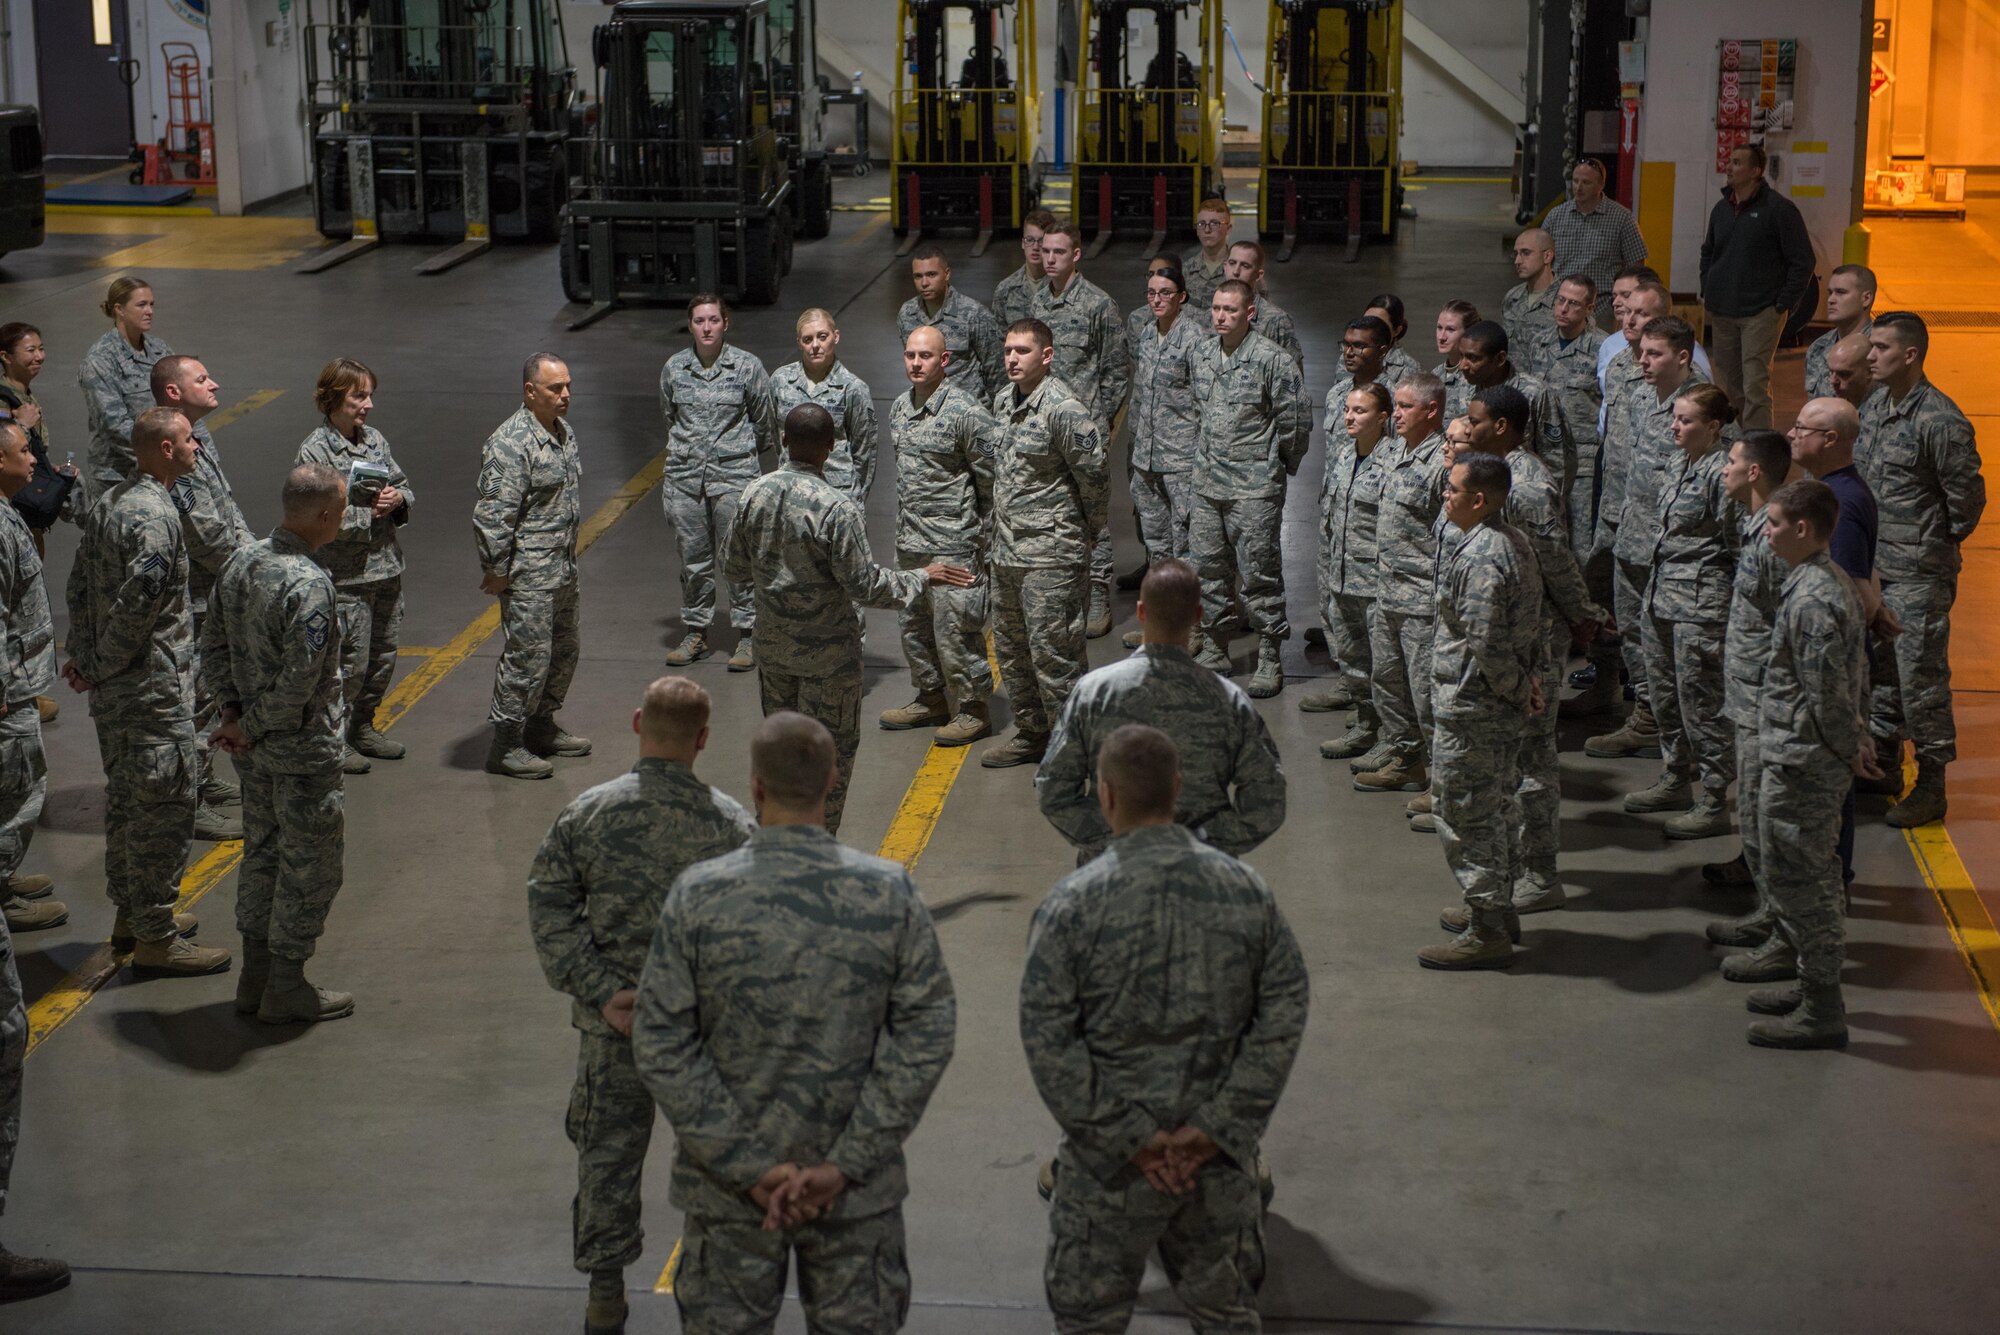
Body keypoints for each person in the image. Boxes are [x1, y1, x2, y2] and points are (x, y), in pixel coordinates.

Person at [632, 712, 957, 1335]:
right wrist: (846, 1162)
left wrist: (747, 1165)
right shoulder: (888, 893)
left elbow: (662, 1041)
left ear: (754, 786)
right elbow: (926, 1036)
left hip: (728, 1196)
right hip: (854, 1197)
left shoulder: (699, 895)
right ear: (833, 780)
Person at [1021, 723, 1307, 1334]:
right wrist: (1215, 1129)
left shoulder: (1071, 905)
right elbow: (1282, 1014)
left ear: (1104, 794)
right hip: (1217, 1171)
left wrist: (1132, 1138)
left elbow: (1048, 1039)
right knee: (1228, 1316)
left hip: (1105, 1174)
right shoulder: (1245, 893)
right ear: (1177, 788)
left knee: (1088, 1321)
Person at [526, 676, 756, 1335]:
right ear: (703, 739)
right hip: (696, 1036)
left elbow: (550, 911)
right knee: (709, 1166)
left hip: (612, 1027)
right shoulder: (734, 825)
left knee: (606, 1159)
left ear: (636, 722)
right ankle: (703, 1300)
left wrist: (604, 991)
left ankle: (605, 1297)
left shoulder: (588, 814)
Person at [723, 404, 973, 834]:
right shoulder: (837, 508)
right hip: (828, 664)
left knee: (782, 759)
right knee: (827, 762)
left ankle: (776, 845)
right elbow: (866, 587)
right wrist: (922, 576)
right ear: (830, 447)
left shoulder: (753, 493)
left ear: (783, 441)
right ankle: (819, 848)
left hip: (775, 654)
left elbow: (734, 566)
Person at [62, 408, 226, 976]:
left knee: (130, 803)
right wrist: (103, 664)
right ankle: (157, 936)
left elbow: (79, 582)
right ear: (162, 449)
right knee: (164, 809)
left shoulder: (112, 501)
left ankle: (132, 916)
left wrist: (83, 658)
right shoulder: (157, 514)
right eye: (186, 443)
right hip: (150, 690)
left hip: (115, 690)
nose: (195, 451)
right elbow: (139, 606)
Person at [202, 463, 351, 1024]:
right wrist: (254, 723)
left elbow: (212, 643)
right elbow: (300, 681)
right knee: (309, 866)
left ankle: (254, 976)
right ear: (323, 515)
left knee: (261, 854)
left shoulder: (242, 561)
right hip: (300, 754)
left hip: (254, 756)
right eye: (338, 511)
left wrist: (235, 714)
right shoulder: (309, 583)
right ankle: (287, 986)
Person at [1456, 387, 1604, 913]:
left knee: (1532, 760)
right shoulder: (1490, 475)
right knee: (1507, 760)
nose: (1465, 426)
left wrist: (1582, 617)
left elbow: (1557, 562)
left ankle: (1540, 873)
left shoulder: (1529, 486)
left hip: (1536, 636)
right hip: (1512, 632)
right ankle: (1508, 872)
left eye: (1474, 420)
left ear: (1501, 427)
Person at [1735, 480, 1871, 1050]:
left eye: (1771, 525)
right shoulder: (1812, 581)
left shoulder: (1815, 598)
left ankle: (1821, 1007)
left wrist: (1847, 751)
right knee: (1791, 876)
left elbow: (1828, 695)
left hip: (1804, 761)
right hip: (1793, 751)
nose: (1764, 534)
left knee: (1807, 885)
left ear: (1802, 529)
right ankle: (1805, 981)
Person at [1036, 560, 1286, 862]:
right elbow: (1268, 797)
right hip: (1199, 876)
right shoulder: (1230, 701)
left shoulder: (1093, 692)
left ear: (1140, 612)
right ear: (1197, 616)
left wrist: (1110, 841)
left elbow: (1053, 788)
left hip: (1112, 872)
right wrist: (1208, 845)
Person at [1857, 313, 1986, 828]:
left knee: (1922, 680)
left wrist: (1935, 543)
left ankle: (1933, 785)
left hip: (1919, 572)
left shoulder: (1939, 420)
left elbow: (1967, 501)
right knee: (1884, 671)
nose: (1870, 355)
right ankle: (1885, 765)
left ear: (1910, 355)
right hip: (1878, 568)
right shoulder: (1875, 405)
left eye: (1881, 347)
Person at [1422, 455, 1544, 970]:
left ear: (1479, 500)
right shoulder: (1508, 540)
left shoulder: (1482, 557)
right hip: (1491, 703)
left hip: (1473, 705)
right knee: (1496, 807)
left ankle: (1486, 927)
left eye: (1451, 491)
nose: (1443, 497)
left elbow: (1486, 641)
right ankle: (1498, 905)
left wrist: (1517, 689)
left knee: (1464, 813)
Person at [983, 320, 1108, 769]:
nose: (1012, 359)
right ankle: (1033, 733)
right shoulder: (1002, 401)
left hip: (1052, 555)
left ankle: (1075, 749)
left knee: (1055, 654)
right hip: (1007, 552)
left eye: (1022, 351)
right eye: (1008, 350)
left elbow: (1093, 477)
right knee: (1013, 652)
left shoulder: (1064, 409)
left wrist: (1089, 531)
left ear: (1047, 356)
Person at [1587, 313, 1709, 761]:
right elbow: (1621, 466)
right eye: (1642, 351)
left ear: (1682, 356)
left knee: (1672, 646)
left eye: (1654, 354)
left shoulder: (1702, 408)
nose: (1642, 360)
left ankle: (1682, 730)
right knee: (1635, 635)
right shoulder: (1639, 396)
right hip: (1629, 536)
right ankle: (1647, 717)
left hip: (1673, 551)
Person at [1627, 384, 1740, 841]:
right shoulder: (1680, 461)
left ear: (1713, 427)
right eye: (1675, 418)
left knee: (1702, 704)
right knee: (1665, 695)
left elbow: (1738, 545)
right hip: (1661, 598)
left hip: (1701, 606)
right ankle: (1676, 776)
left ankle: (1714, 798)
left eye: (1686, 421)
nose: (1675, 426)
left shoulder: (1724, 474)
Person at [1187, 279, 1310, 697]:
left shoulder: (1272, 361)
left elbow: (1295, 421)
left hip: (1253, 488)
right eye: (1217, 309)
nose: (1221, 316)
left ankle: (1270, 655)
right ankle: (1215, 646)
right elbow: (1198, 413)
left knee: (1259, 575)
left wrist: (1278, 468)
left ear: (1249, 313)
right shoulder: (1202, 355)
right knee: (1208, 571)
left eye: (1230, 310)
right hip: (1207, 484)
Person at [879, 327, 999, 746]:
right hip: (910, 540)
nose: (915, 363)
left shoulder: (966, 413)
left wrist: (978, 537)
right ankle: (931, 696)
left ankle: (973, 708)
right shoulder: (898, 408)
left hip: (954, 543)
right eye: (910, 355)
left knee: (955, 629)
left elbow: (991, 480)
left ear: (944, 361)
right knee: (914, 626)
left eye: (925, 356)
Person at [1703, 430, 1801, 945]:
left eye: (1733, 461)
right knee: (1756, 814)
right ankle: (1769, 914)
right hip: (1749, 696)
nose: (1725, 469)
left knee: (1769, 817)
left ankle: (1782, 933)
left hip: (1767, 699)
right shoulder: (1755, 524)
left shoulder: (1774, 535)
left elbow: (1786, 624)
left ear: (1755, 472)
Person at [294, 358, 413, 772]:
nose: (368, 405)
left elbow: (401, 484)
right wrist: (369, 514)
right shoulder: (316, 450)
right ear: (333, 399)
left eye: (370, 396)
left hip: (385, 568)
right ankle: (333, 737)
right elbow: (313, 515)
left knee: (381, 658)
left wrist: (398, 499)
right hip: (344, 577)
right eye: (359, 396)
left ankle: (363, 727)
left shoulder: (374, 440)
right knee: (349, 664)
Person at [153, 354, 255, 835]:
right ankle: (189, 804)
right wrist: (255, 569)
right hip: (196, 598)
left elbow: (228, 509)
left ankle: (205, 778)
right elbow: (207, 536)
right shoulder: (171, 444)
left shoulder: (197, 435)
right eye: (201, 379)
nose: (214, 383)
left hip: (219, 589)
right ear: (174, 392)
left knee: (213, 694)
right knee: (194, 699)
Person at [476, 353, 590, 780]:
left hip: (561, 567)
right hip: (528, 575)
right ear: (530, 391)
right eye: (555, 388)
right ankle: (506, 745)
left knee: (563, 650)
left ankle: (541, 726)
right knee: (526, 659)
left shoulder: (563, 433)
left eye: (567, 386)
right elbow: (493, 514)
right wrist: (496, 567)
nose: (565, 395)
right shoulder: (510, 443)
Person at [1786, 398, 1882, 907]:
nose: (1792, 433)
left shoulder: (1840, 504)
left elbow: (1853, 593)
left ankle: (1830, 886)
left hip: (1831, 668)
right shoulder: (1832, 492)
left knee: (1826, 788)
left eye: (1803, 428)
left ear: (1831, 440)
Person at [657, 295, 779, 670]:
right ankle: (696, 631)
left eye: (713, 320)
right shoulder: (675, 369)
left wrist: (735, 454)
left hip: (734, 478)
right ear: (690, 325)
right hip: (684, 479)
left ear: (726, 323)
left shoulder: (746, 367)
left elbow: (765, 422)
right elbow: (670, 415)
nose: (706, 328)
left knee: (737, 560)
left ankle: (748, 635)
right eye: (699, 321)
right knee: (693, 560)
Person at [1031, 220, 1129, 638]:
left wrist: (1102, 424)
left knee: (1094, 514)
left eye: (1058, 252)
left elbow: (1116, 370)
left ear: (1076, 255)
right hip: (1045, 425)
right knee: (1051, 508)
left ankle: (1098, 595)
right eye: (1044, 251)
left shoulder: (1098, 305)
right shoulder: (1037, 300)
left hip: (1084, 428)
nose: (1049, 258)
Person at [1355, 375, 1449, 794]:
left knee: (1428, 695)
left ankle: (1445, 784)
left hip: (1421, 600)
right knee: (1388, 684)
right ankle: (1407, 761)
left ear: (1431, 411)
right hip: (1385, 591)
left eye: (1406, 407)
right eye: (1396, 405)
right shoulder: (1393, 453)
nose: (1396, 414)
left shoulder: (1443, 463)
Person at [1698, 143, 1815, 430]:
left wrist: (1783, 304)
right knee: (1727, 384)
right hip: (1724, 311)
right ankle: (1736, 443)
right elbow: (1708, 252)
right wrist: (1708, 288)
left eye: (1737, 163)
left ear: (1755, 171)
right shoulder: (1721, 209)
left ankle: (1759, 448)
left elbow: (1803, 261)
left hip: (1761, 313)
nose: (1729, 167)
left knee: (1755, 385)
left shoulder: (1779, 210)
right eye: (1729, 161)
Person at [0, 423, 65, 935]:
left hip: (17, 680)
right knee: (16, 790)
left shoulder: (7, 512)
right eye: (24, 452)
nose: (33, 462)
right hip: (7, 690)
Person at [1305, 380, 1393, 748]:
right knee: (1354, 662)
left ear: (1383, 417)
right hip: (1342, 579)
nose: (1349, 417)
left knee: (1385, 669)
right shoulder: (1344, 457)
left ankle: (1395, 739)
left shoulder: (1394, 462)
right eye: (1347, 410)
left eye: (1360, 411)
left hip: (1375, 583)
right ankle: (1366, 725)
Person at [1122, 263, 1203, 609]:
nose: (1157, 299)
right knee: (1157, 544)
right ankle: (1160, 619)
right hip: (1147, 459)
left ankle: (1189, 625)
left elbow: (1203, 401)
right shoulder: (1146, 334)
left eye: (1165, 293)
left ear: (1181, 297)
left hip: (1180, 459)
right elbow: (1140, 396)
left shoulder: (1195, 340)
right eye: (1152, 293)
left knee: (1185, 545)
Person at [1526, 275, 1608, 558]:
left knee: (1581, 544)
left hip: (1582, 464)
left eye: (1573, 303)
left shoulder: (1603, 349)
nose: (1562, 308)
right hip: (1544, 459)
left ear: (1589, 308)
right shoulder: (1540, 343)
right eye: (1560, 300)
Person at [1451, 321, 1575, 503]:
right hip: (1475, 497)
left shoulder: (1533, 393)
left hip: (1521, 494)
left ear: (1500, 359)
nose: (1463, 365)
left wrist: (1550, 502)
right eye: (1461, 356)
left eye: (1473, 358)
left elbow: (1556, 458)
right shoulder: (1462, 388)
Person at [78, 276, 171, 504]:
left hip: (160, 470)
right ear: (119, 309)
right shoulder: (101, 360)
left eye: (151, 304)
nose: (149, 311)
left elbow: (180, 404)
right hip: (117, 479)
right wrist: (158, 457)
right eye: (141, 305)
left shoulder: (160, 350)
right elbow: (113, 425)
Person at [772, 309, 877, 504]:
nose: (815, 346)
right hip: (792, 491)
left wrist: (855, 499)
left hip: (837, 493)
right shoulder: (781, 381)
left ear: (835, 337)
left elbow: (865, 452)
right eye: (807, 339)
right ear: (799, 343)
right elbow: (776, 436)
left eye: (822, 337)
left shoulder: (853, 388)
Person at [1542, 159, 1648, 322]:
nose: (1579, 187)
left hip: (1601, 310)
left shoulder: (1622, 219)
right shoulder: (1556, 216)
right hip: (1561, 307)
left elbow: (1637, 267)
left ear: (1601, 185)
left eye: (1586, 182)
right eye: (1575, 181)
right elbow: (1541, 258)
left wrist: (1624, 300)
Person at [896, 243, 1006, 398]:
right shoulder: (907, 314)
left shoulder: (973, 313)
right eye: (918, 276)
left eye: (931, 274)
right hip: (927, 407)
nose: (924, 283)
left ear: (946, 274)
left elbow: (997, 370)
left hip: (967, 410)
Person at [1224, 239, 1302, 369]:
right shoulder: (1208, 317)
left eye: (1245, 266)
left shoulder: (1277, 321)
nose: (1236, 271)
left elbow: (1293, 378)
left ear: (1259, 274)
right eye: (1232, 263)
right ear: (1225, 267)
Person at [1804, 264, 1876, 400]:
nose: (1831, 300)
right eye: (1830, 293)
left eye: (1841, 292)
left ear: (1866, 299)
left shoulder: (1879, 349)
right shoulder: (1818, 348)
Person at [992, 209, 1058, 328]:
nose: (1035, 247)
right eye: (1030, 240)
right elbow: (999, 340)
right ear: (1023, 243)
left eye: (1042, 241)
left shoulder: (1063, 288)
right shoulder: (1005, 290)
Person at [1502, 229, 1559, 354]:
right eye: (1516, 254)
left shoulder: (1565, 301)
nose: (1517, 261)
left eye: (1526, 253)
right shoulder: (1512, 298)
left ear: (1547, 256)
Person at [1180, 196, 1233, 313]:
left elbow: (1261, 312)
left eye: (1214, 223)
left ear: (1228, 228)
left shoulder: (1241, 270)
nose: (1207, 230)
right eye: (1201, 224)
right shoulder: (1185, 271)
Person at [1363, 294, 1423, 386]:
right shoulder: (1349, 355)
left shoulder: (1409, 368)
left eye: (1379, 325)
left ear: (1397, 331)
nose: (1370, 329)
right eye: (1366, 321)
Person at [1431, 298, 1480, 404]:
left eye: (1450, 329)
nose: (1442, 337)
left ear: (1468, 332)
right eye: (1439, 328)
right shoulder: (1435, 375)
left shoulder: (1476, 376)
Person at [1826, 332, 1876, 408]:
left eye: (1843, 374)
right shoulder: (1832, 403)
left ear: (1870, 372)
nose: (1833, 381)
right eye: (1831, 372)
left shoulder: (1882, 408)